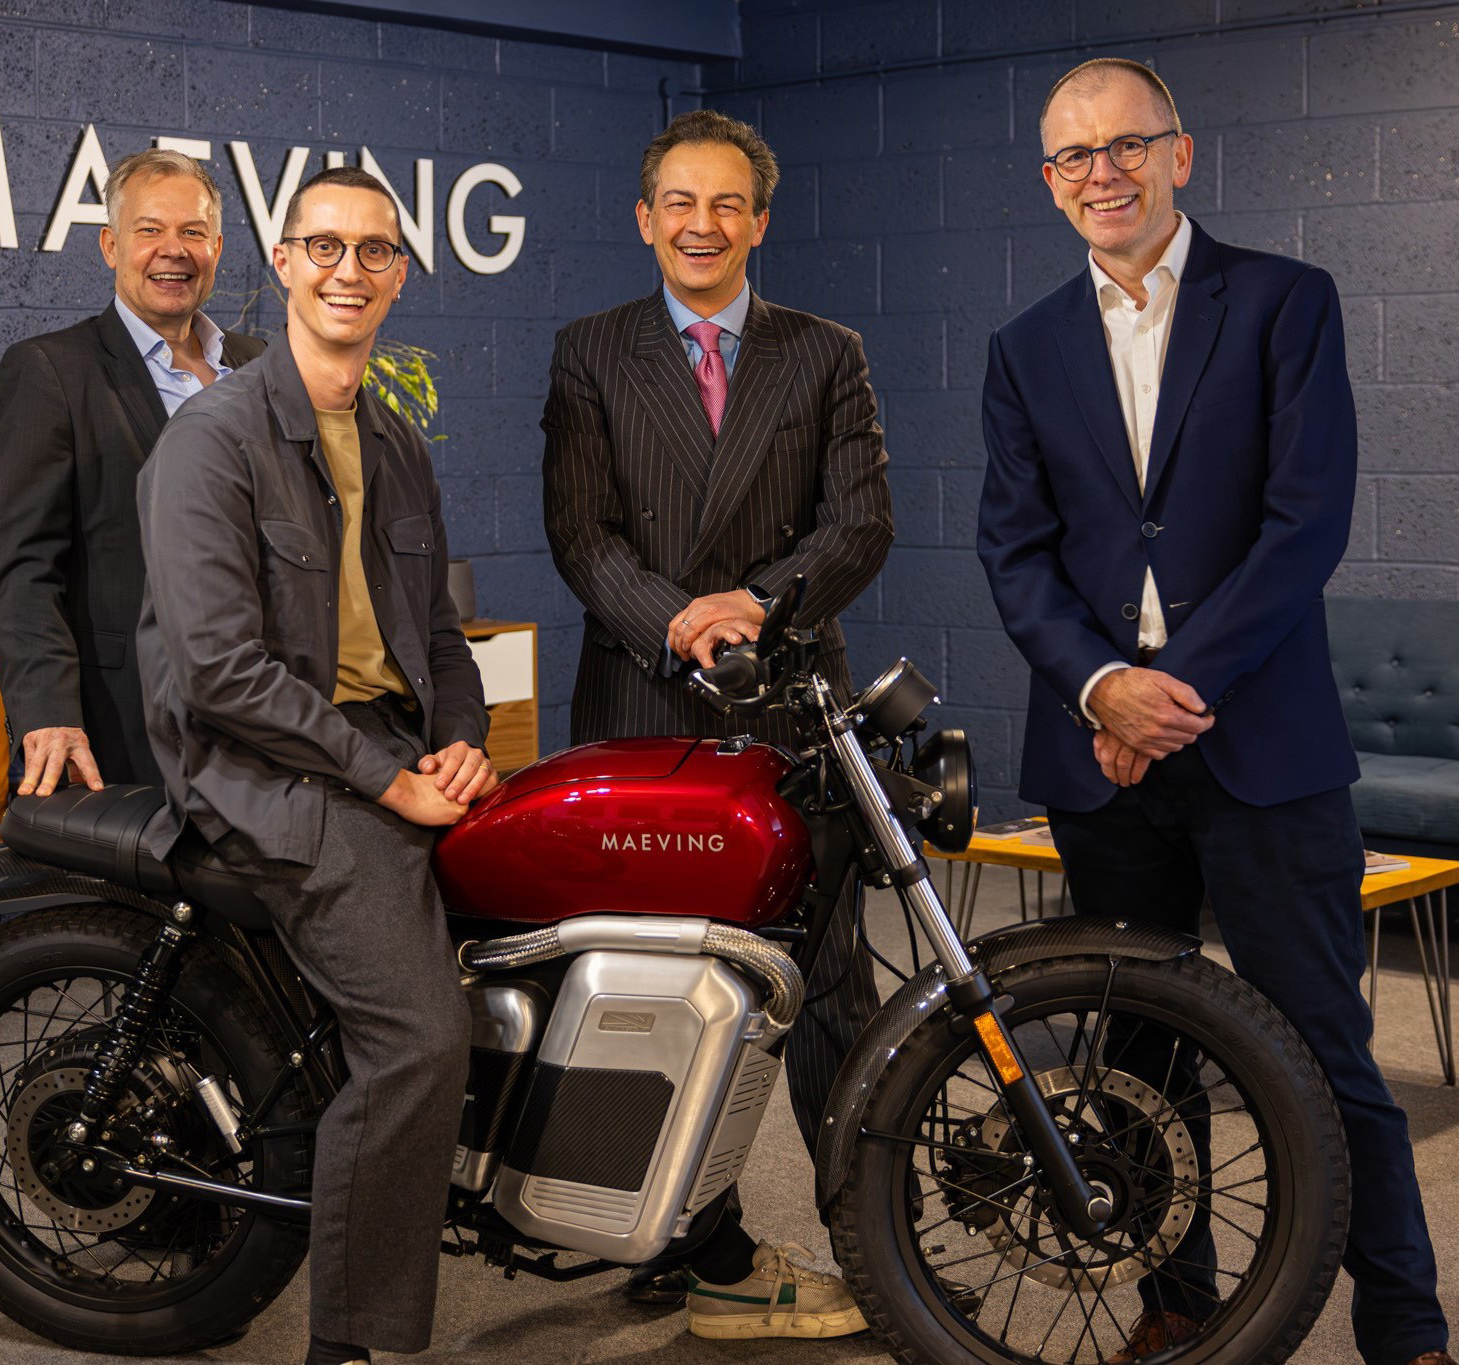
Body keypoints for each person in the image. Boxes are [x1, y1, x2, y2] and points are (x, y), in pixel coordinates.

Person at [976, 57, 1455, 1365]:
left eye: (1126, 144)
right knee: (1138, 1057)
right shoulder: (1022, 348)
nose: (1102, 173)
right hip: (1100, 760)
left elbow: (1304, 525)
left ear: (1177, 154)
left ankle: (1403, 1325)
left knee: (1322, 1052)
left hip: (1257, 745)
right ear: (1048, 183)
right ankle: (1176, 1302)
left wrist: (1167, 692)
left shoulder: (1284, 302)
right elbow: (1013, 553)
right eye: (1073, 156)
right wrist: (1101, 688)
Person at [542, 108, 894, 1341]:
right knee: (655, 989)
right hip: (642, 702)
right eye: (680, 204)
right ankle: (691, 1244)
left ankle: (876, 1247)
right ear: (646, 220)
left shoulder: (825, 352)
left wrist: (754, 605)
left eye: (726, 203)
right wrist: (680, 621)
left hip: (788, 703)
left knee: (827, 985)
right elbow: (580, 534)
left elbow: (860, 524)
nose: (703, 224)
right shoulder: (589, 352)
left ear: (758, 220)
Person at [136, 166, 493, 1365]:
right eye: (325, 246)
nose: (350, 269)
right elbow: (221, 673)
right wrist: (387, 781)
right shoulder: (212, 440)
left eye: (375, 249)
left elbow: (438, 634)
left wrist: (461, 740)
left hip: (382, 750)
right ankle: (349, 1343)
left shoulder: (392, 439)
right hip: (264, 772)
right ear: (284, 263)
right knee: (419, 1041)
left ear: (400, 275)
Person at [0, 148, 264, 797]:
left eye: (192, 231)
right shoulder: (52, 371)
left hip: (260, 717)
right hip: (123, 721)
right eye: (149, 230)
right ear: (111, 246)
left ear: (217, 248)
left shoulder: (259, 367)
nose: (174, 250)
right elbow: (23, 569)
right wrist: (48, 712)